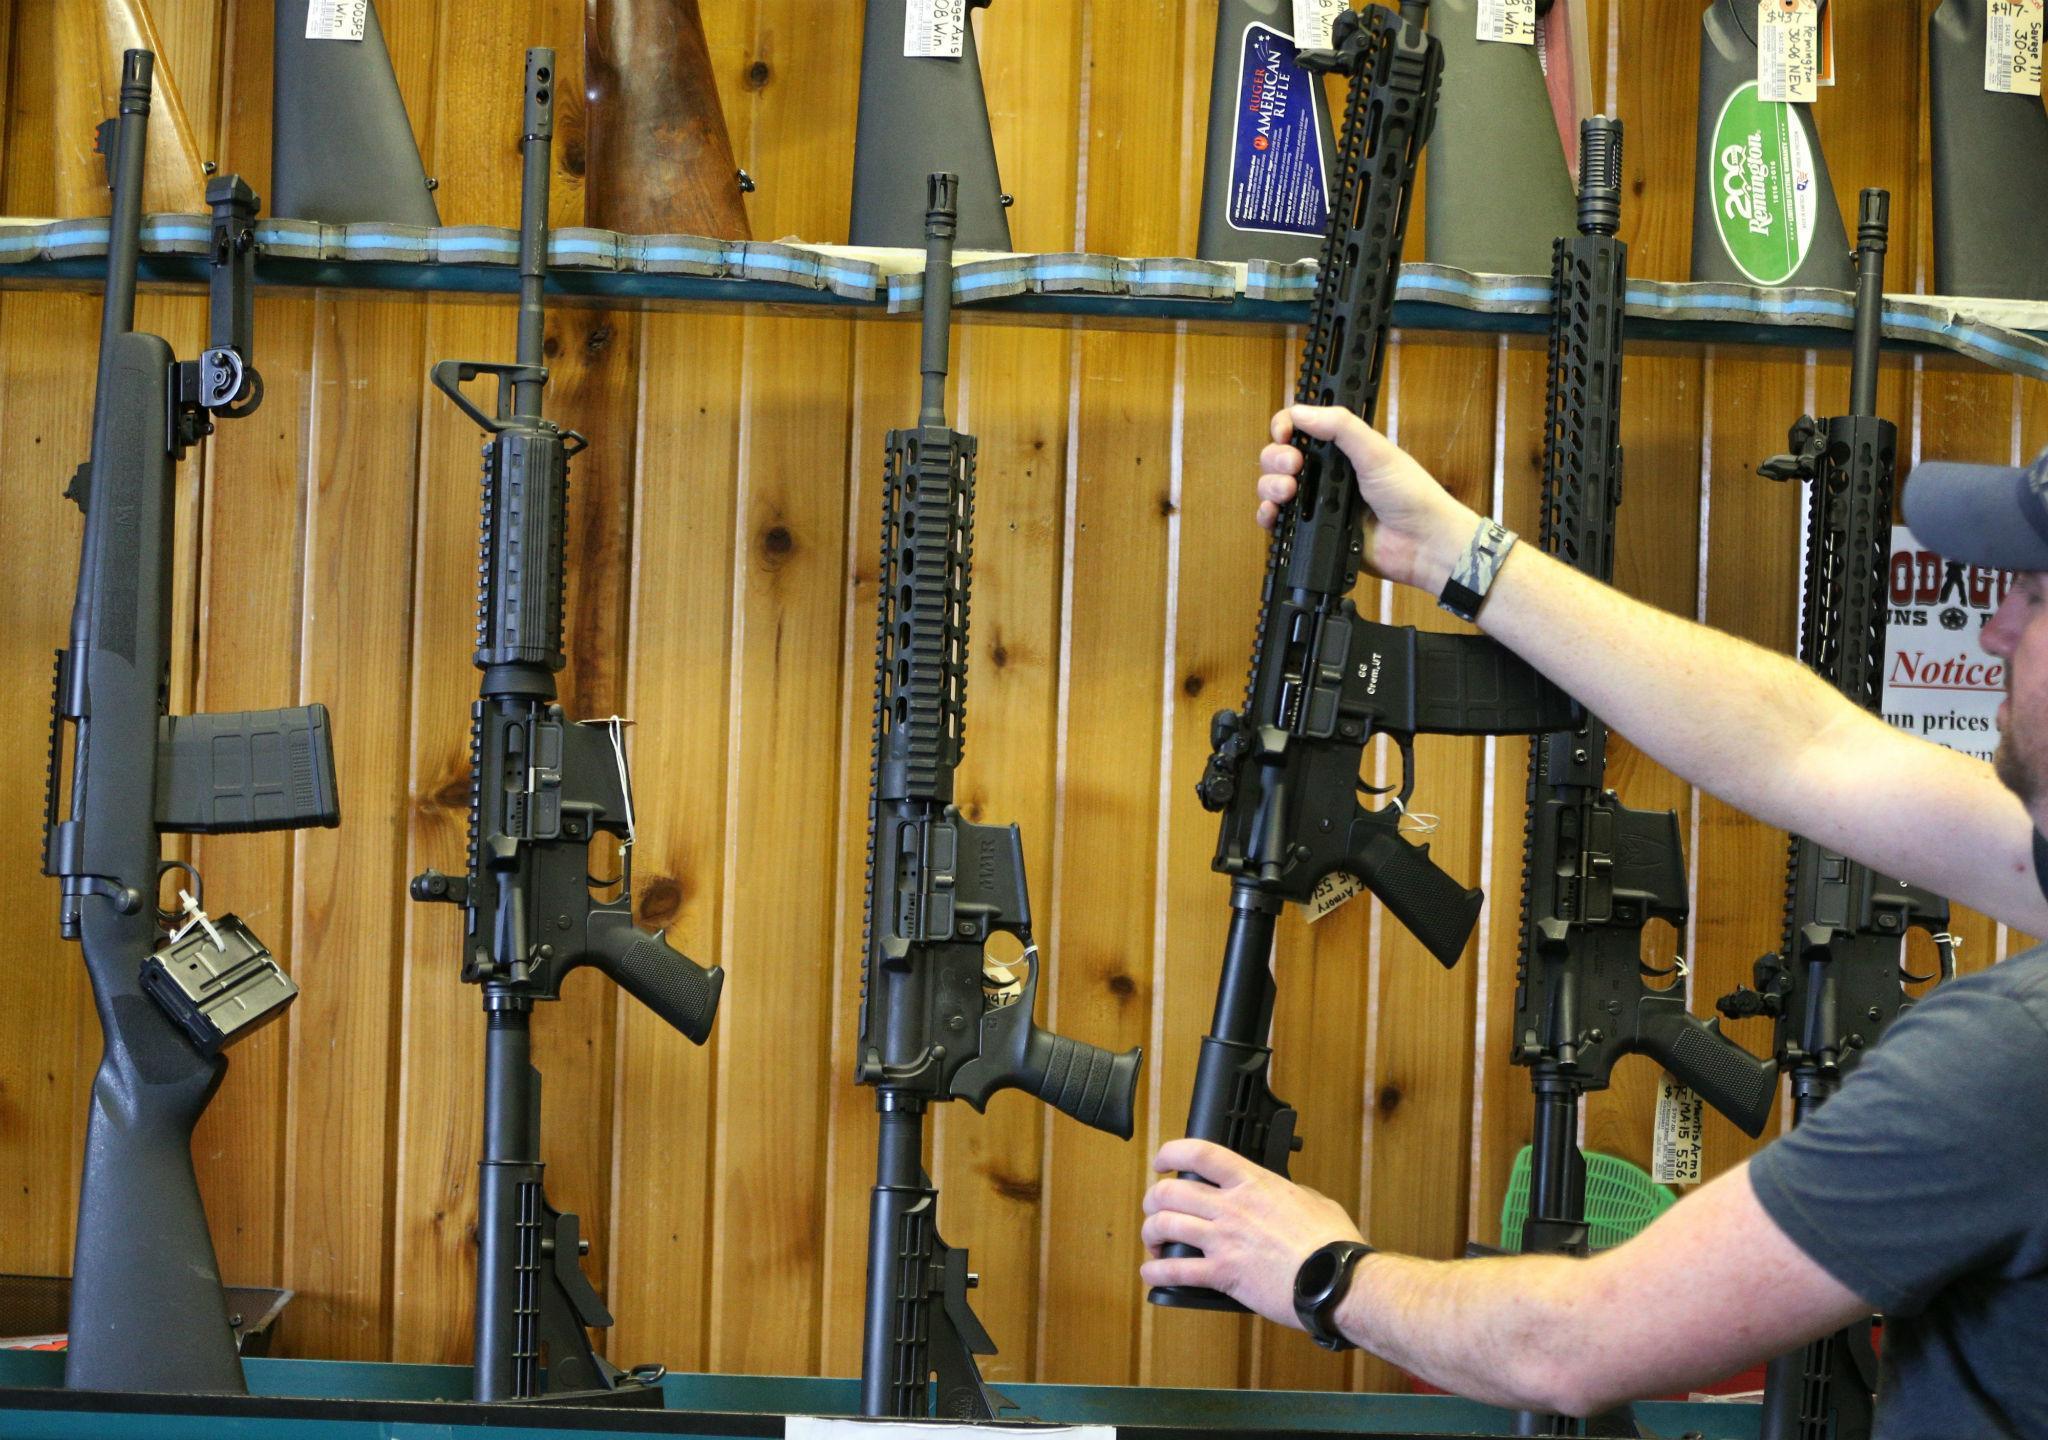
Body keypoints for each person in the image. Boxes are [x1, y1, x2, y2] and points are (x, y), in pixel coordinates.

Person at [1139, 405, 2048, 1436]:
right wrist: (1445, 548)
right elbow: (1798, 744)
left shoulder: (2011, 1058)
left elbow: (1568, 1346)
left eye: (2028, 593)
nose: (1993, 629)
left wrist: (1319, 1272)